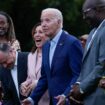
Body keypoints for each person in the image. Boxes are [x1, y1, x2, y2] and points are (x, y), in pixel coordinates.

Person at [22, 8, 83, 105]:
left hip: (69, 102)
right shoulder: (46, 46)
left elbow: (79, 74)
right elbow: (45, 77)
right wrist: (32, 99)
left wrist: (65, 95)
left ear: (58, 22)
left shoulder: (72, 43)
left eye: (47, 20)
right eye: (42, 21)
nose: (43, 24)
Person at [69, 0, 105, 105]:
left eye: (85, 13)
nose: (84, 17)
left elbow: (102, 64)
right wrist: (78, 84)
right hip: (89, 96)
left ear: (98, 9)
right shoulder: (93, 32)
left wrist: (82, 88)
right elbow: (87, 65)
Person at [20, 23, 49, 105]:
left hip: (50, 99)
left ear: (48, 35)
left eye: (40, 32)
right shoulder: (31, 56)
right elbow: (30, 77)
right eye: (35, 32)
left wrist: (37, 83)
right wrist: (25, 84)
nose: (36, 35)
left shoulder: (52, 55)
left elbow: (53, 77)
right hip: (34, 101)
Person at [0, 11, 21, 103]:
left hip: (8, 86)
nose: (0, 25)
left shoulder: (13, 43)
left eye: (2, 23)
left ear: (8, 25)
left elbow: (13, 65)